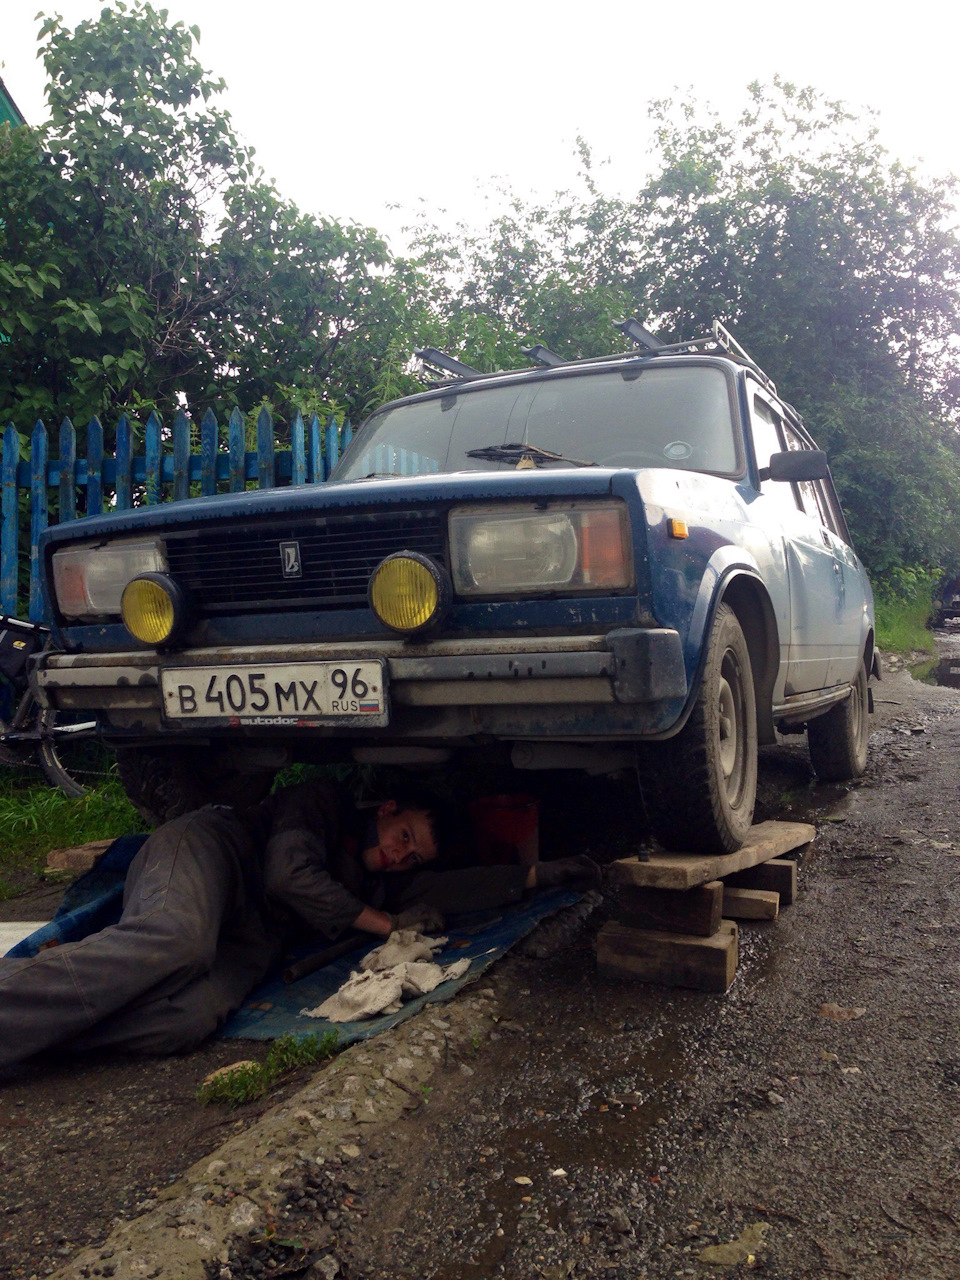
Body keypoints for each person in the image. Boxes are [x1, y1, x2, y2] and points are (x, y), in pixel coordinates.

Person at [0, 778, 598, 1071]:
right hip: (216, 857)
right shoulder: (325, 801)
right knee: (173, 942)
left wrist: (537, 877)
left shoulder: (382, 881)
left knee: (185, 1020)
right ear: (387, 811)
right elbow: (287, 875)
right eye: (404, 837)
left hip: (253, 936)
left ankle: (32, 1036)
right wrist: (382, 921)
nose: (400, 854)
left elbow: (454, 890)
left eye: (412, 856)